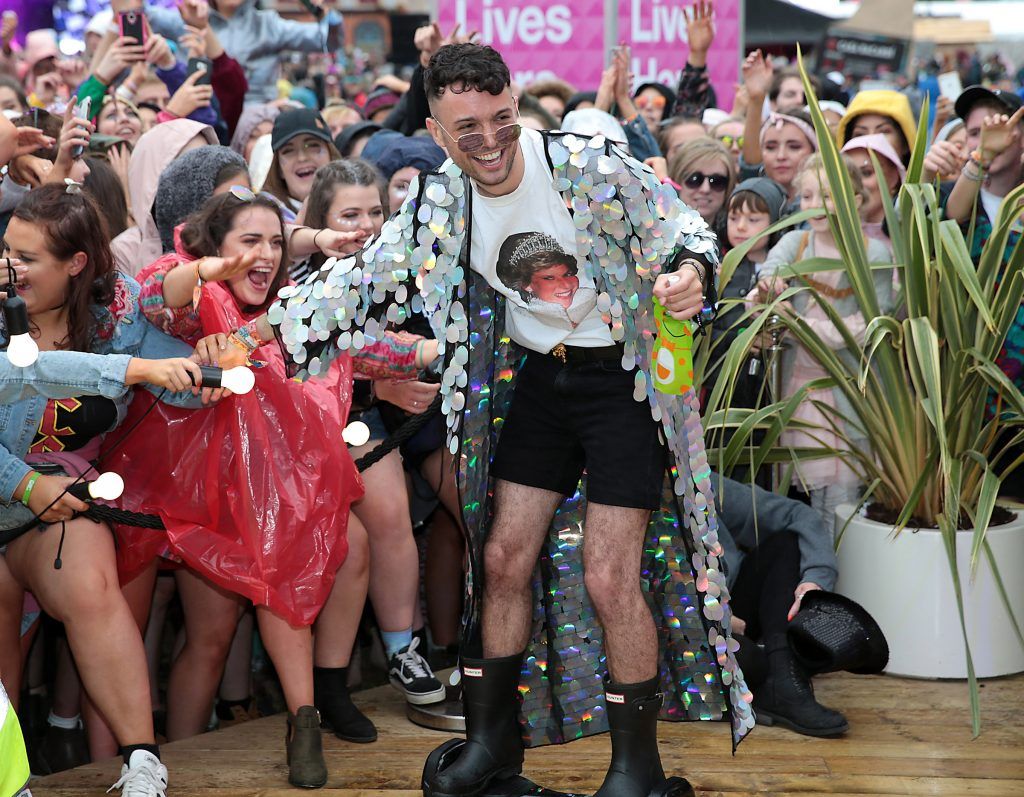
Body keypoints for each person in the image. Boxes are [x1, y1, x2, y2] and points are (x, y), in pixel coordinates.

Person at [233, 42, 752, 797]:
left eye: (499, 118)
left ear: (516, 103)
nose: (488, 140)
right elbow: (369, 274)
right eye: (465, 129)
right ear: (439, 134)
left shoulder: (587, 163)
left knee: (609, 575)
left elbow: (685, 228)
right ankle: (490, 742)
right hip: (541, 379)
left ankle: (636, 766)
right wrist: (270, 329)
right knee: (502, 559)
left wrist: (690, 274)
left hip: (624, 380)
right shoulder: (441, 199)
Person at [122, 188, 435, 785]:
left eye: (273, 242)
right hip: (204, 503)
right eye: (248, 242)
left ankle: (312, 710)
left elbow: (358, 346)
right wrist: (210, 271)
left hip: (278, 497)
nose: (262, 256)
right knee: (211, 640)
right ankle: (177, 761)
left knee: (342, 552)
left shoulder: (291, 307)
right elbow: (153, 295)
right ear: (214, 249)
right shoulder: (199, 299)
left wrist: (437, 350)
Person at [0, 184, 222, 796]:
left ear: (76, 265)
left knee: (92, 577)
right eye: (6, 250)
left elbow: (172, 382)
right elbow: (23, 377)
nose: (9, 267)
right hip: (8, 495)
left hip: (57, 510)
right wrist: (21, 482)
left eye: (27, 258)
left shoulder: (115, 317)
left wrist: (210, 363)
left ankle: (143, 761)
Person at [296, 159, 447, 711]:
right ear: (322, 219)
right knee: (372, 521)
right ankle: (378, 655)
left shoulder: (408, 270)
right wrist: (381, 387)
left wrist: (406, 379)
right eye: (350, 213)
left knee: (424, 507)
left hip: (395, 416)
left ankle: (420, 646)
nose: (365, 224)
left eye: (376, 211)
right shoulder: (303, 280)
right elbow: (310, 364)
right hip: (325, 420)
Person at [751, 154, 894, 532]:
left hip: (847, 394)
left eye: (829, 196)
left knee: (842, 499)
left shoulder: (872, 253)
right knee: (805, 497)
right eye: (809, 196)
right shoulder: (797, 243)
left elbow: (867, 326)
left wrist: (797, 323)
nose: (815, 206)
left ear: (856, 201)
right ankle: (816, 574)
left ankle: (839, 573)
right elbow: (768, 273)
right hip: (800, 391)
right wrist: (769, 286)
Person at [713, 475, 847, 736]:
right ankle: (780, 672)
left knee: (786, 542)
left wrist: (814, 582)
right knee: (748, 660)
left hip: (736, 608)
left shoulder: (693, 478)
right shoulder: (619, 501)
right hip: (681, 635)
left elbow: (797, 514)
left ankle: (783, 671)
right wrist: (714, 616)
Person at [261, 107, 337, 222]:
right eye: (288, 151)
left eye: (312, 145)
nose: (302, 158)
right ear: (279, 169)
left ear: (331, 155)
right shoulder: (265, 217)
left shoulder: (357, 200)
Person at [840, 134, 906, 250]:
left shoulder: (914, 232)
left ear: (894, 177)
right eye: (847, 176)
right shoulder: (830, 236)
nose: (856, 184)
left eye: (866, 173)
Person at [668, 138, 736, 234]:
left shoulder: (737, 239)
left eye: (717, 181)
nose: (705, 189)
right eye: (694, 179)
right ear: (676, 180)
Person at [837, 90, 917, 165]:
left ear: (905, 143)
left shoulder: (925, 179)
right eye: (860, 134)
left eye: (883, 131)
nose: (871, 141)